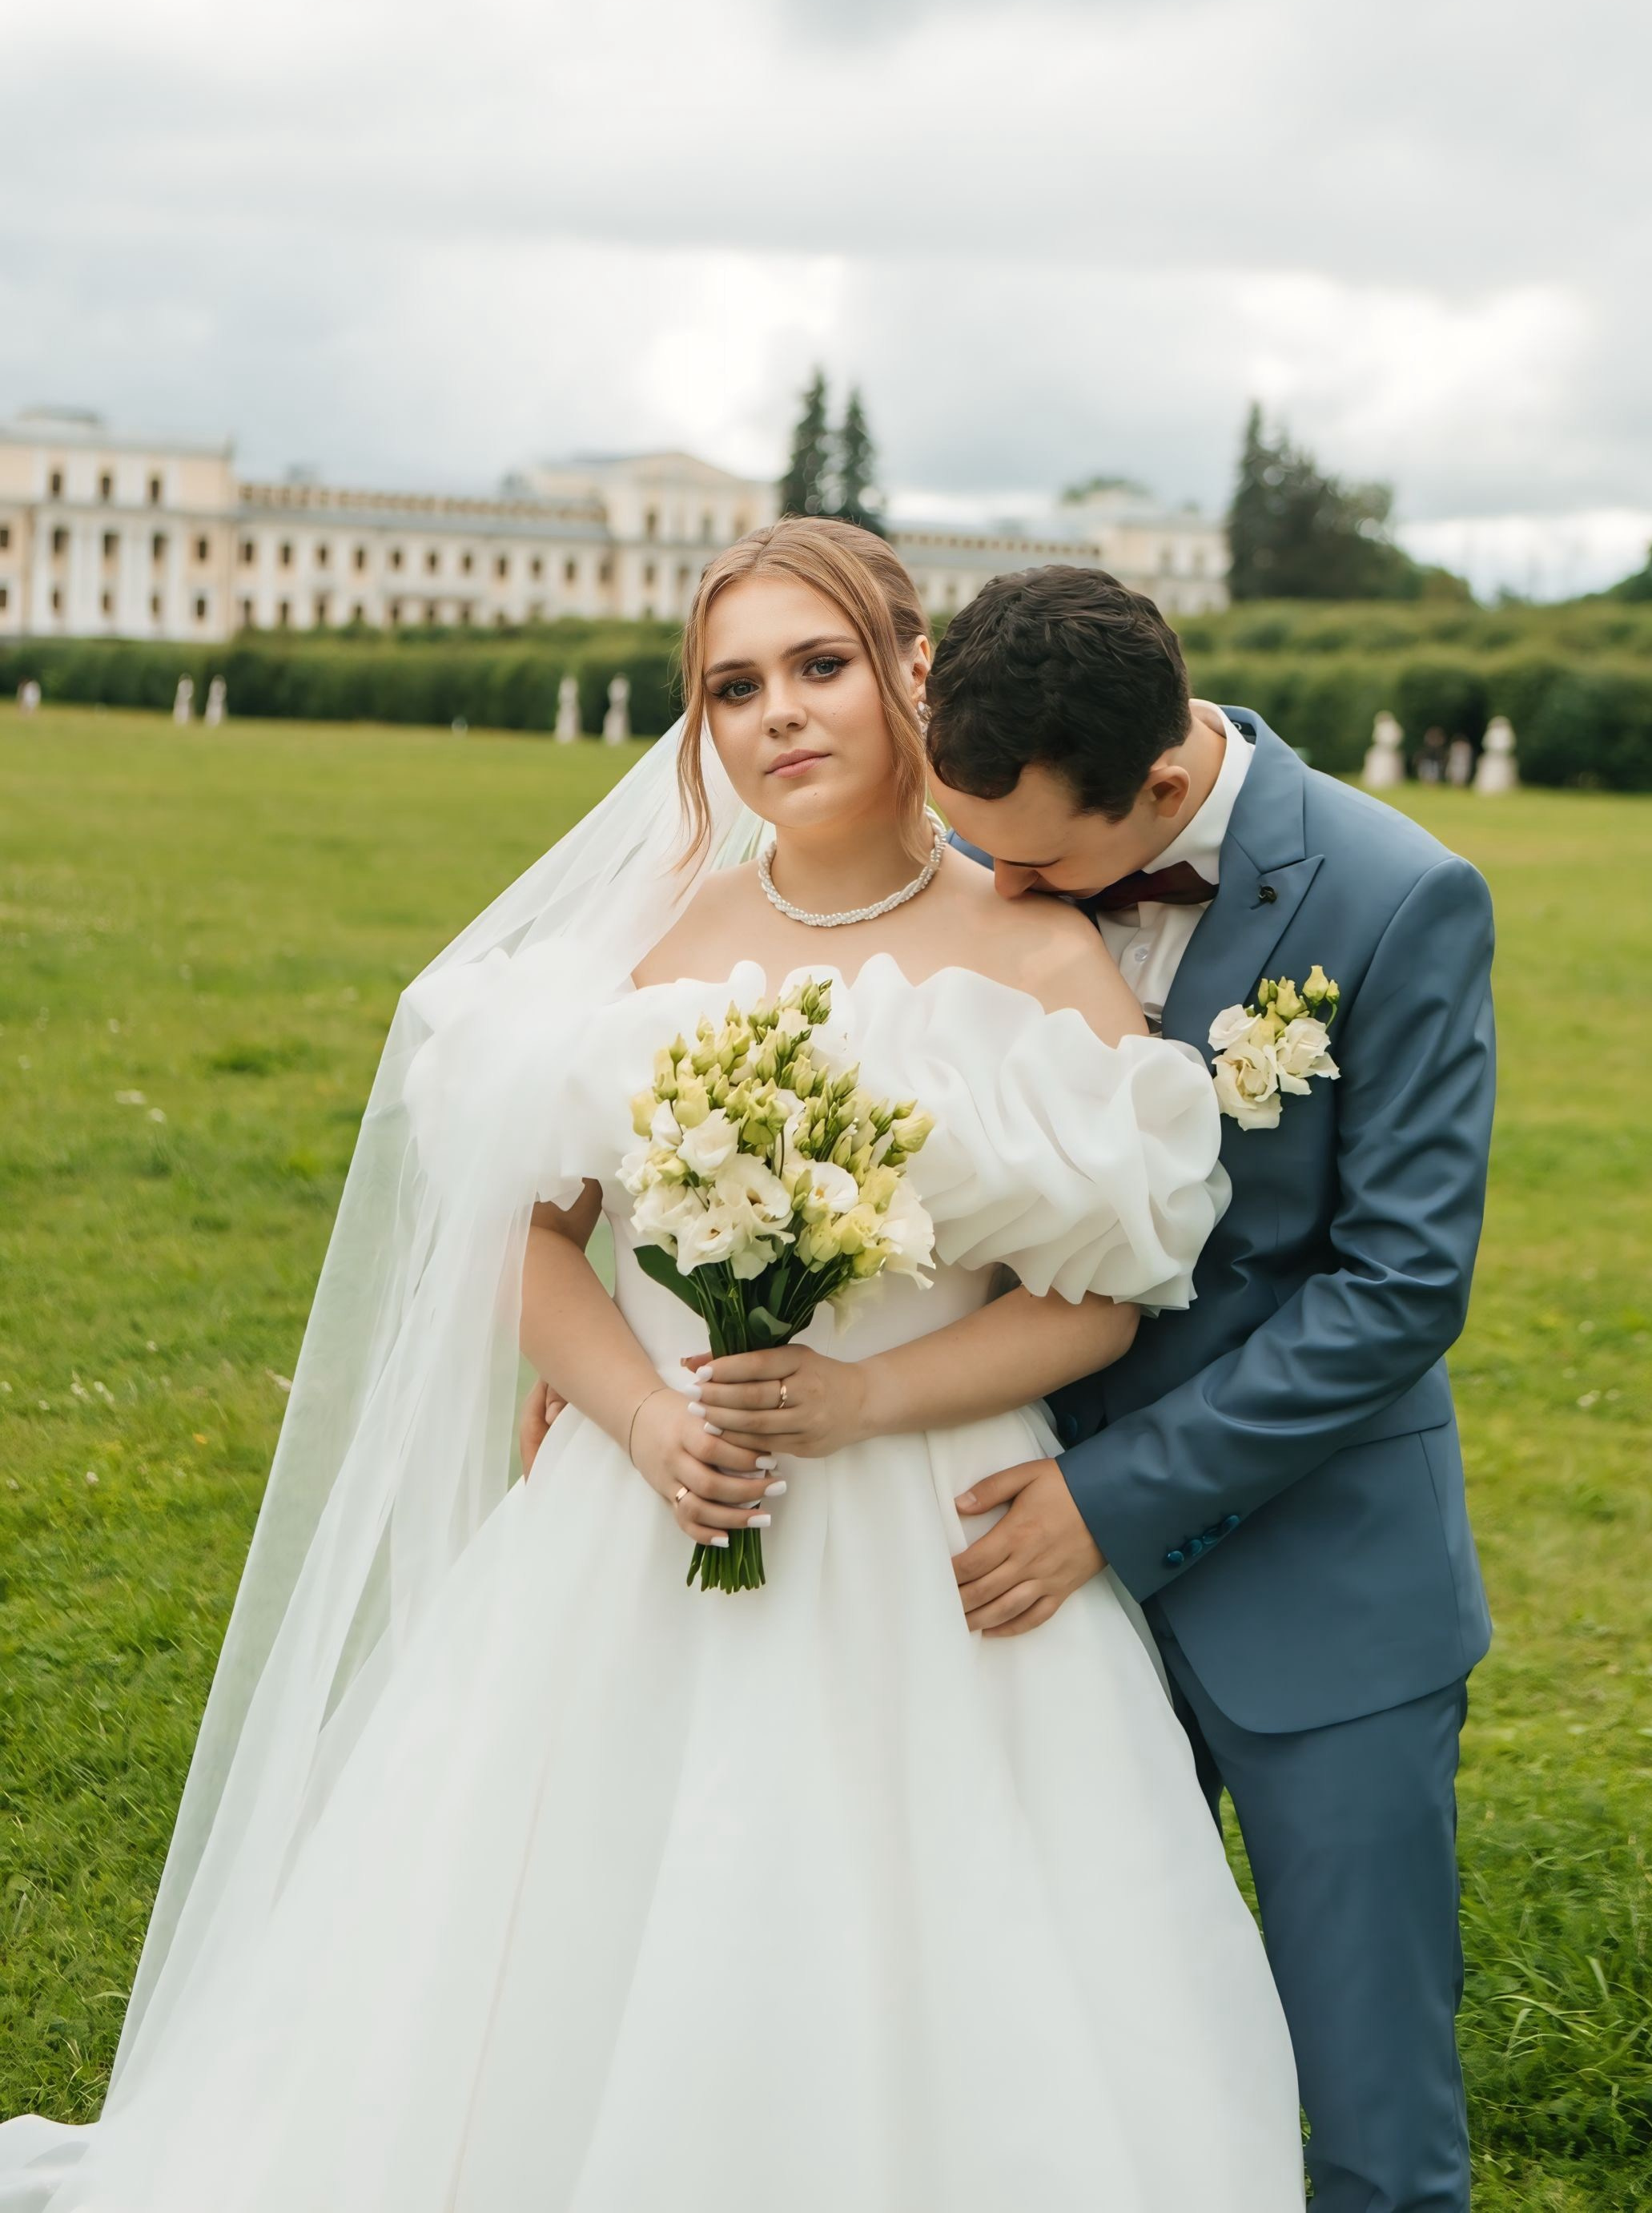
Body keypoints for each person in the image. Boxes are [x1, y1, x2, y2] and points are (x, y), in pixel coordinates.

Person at [0, 520, 1300, 2213]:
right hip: (641, 1506)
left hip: (939, 1532)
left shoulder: (1041, 952)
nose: (779, 716)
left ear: (912, 668)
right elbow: (523, 1239)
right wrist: (636, 1413)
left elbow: (1101, 1301)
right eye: (732, 688)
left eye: (819, 666)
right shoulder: (644, 947)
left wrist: (861, 1399)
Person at [923, 567, 1496, 2213]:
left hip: (1317, 1591)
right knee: (1075, 2091)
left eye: (1033, 859)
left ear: (1165, 783)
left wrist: (1108, 1501)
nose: (994, 885)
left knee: (1371, 2121)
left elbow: (1398, 1290)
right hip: (1011, 1591)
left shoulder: (1400, 898)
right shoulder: (981, 852)